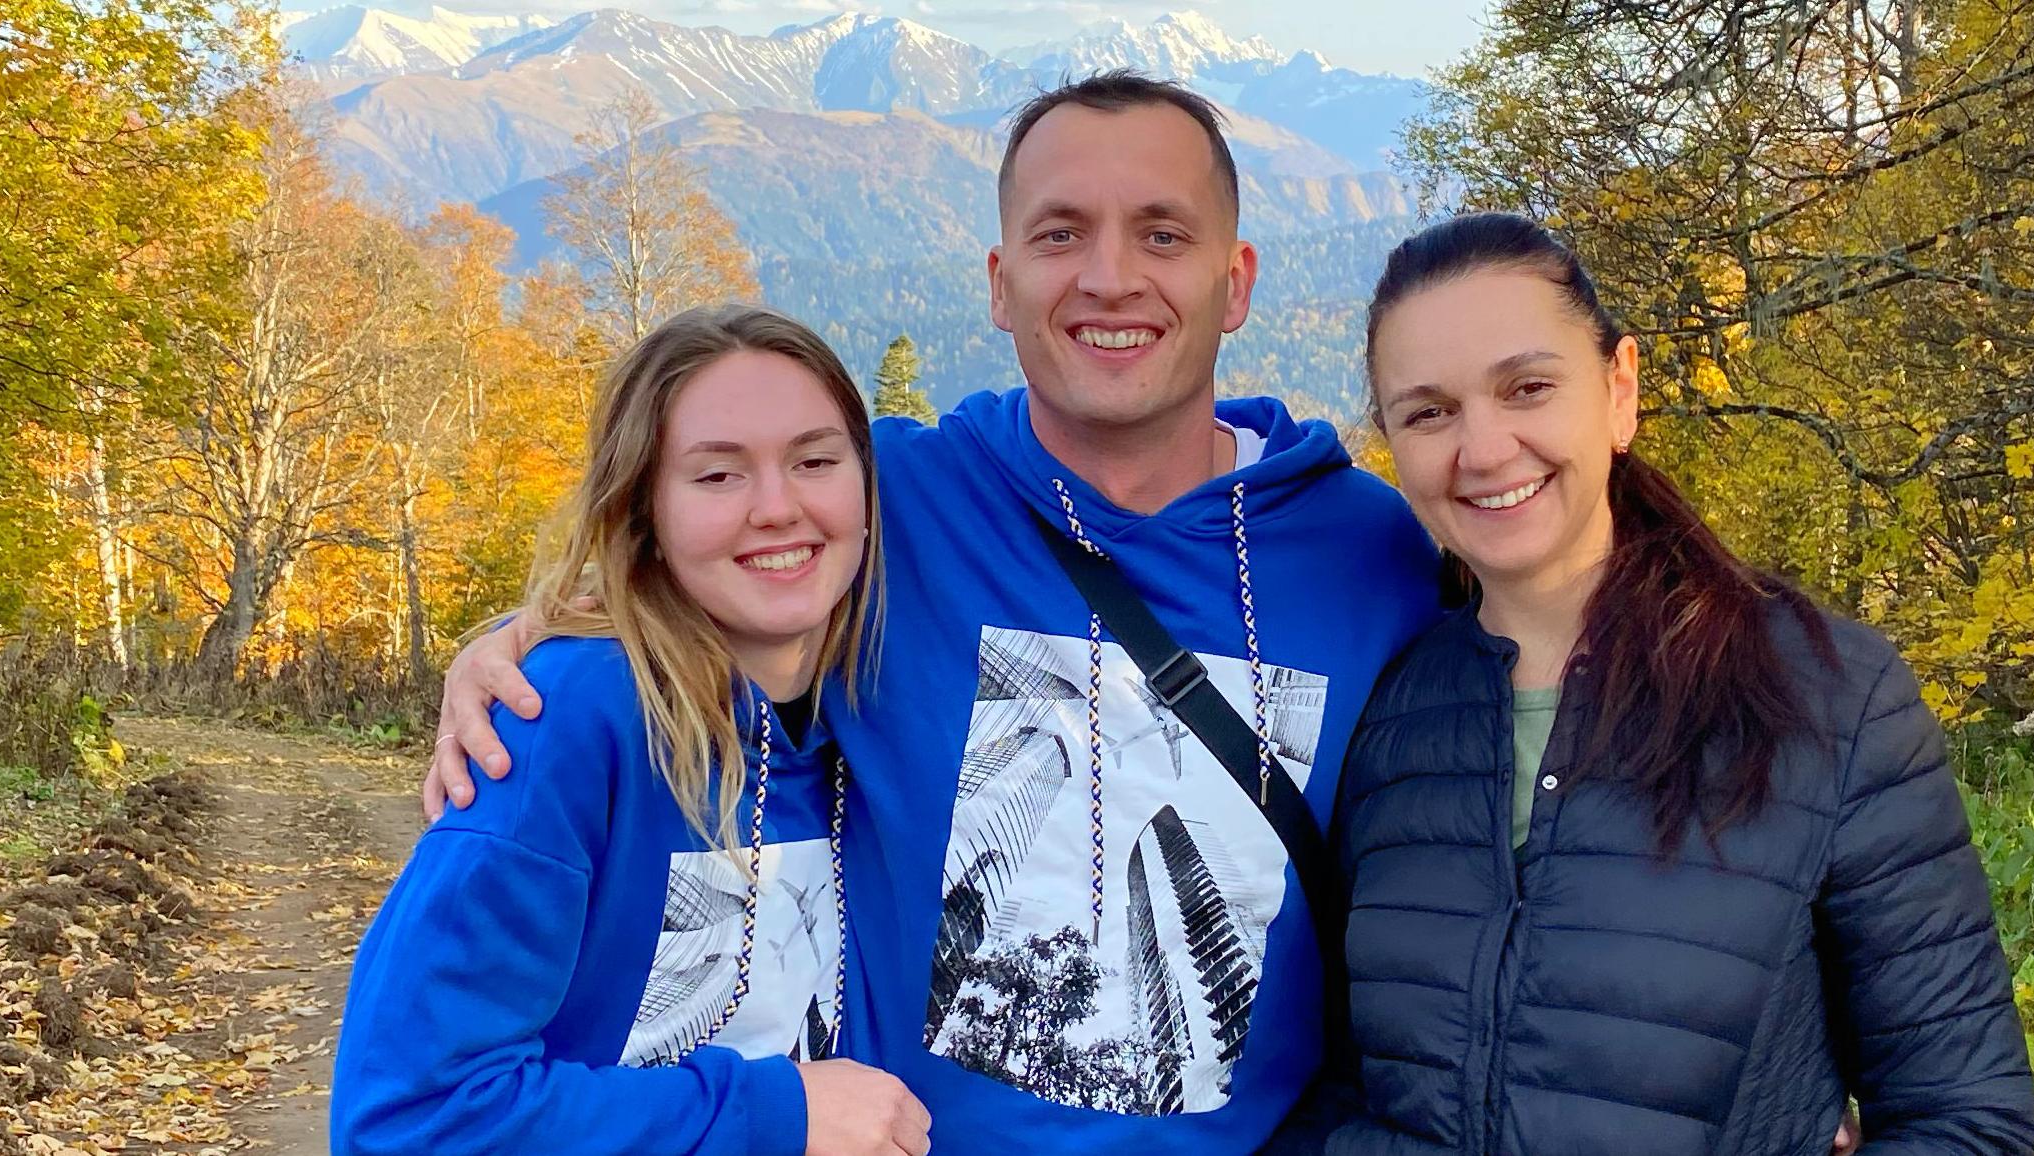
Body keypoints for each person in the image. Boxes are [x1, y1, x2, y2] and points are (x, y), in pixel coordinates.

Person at [423, 73, 1445, 1154]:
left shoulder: (1370, 552)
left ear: (1233, 282)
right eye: (1059, 234)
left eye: (1162, 234)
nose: (1109, 278)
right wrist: (514, 643)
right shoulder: (889, 501)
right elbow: (695, 559)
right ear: (1001, 284)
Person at [1272, 212, 2034, 1154]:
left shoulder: (1826, 699)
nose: (1484, 448)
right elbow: (1337, 1082)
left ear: (1619, 391)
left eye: (1528, 388)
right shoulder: (1388, 722)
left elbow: (1966, 1118)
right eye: (1429, 412)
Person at [331, 305, 932, 1156]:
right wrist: (776, 1116)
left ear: (868, 492)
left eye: (815, 461)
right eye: (717, 475)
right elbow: (410, 1116)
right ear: (645, 510)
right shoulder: (565, 719)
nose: (777, 507)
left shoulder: (882, 704)